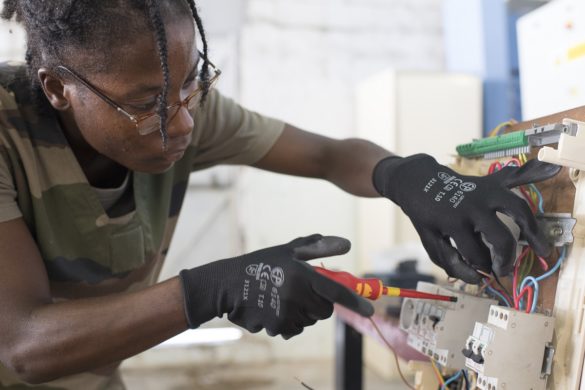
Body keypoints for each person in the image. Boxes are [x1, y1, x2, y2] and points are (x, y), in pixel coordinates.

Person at [0, 1, 560, 388]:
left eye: (194, 80)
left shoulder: (184, 107)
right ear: (58, 88)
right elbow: (24, 344)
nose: (184, 122)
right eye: (145, 104)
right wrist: (216, 288)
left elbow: (327, 156)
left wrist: (412, 178)